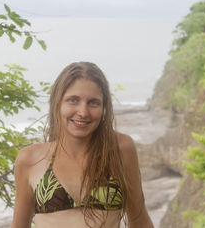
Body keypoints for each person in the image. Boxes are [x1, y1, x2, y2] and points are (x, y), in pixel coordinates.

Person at [11, 62, 154, 228]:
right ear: (57, 103)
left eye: (93, 103)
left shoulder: (120, 149)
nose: (83, 112)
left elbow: (139, 220)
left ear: (104, 107)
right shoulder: (30, 159)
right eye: (73, 100)